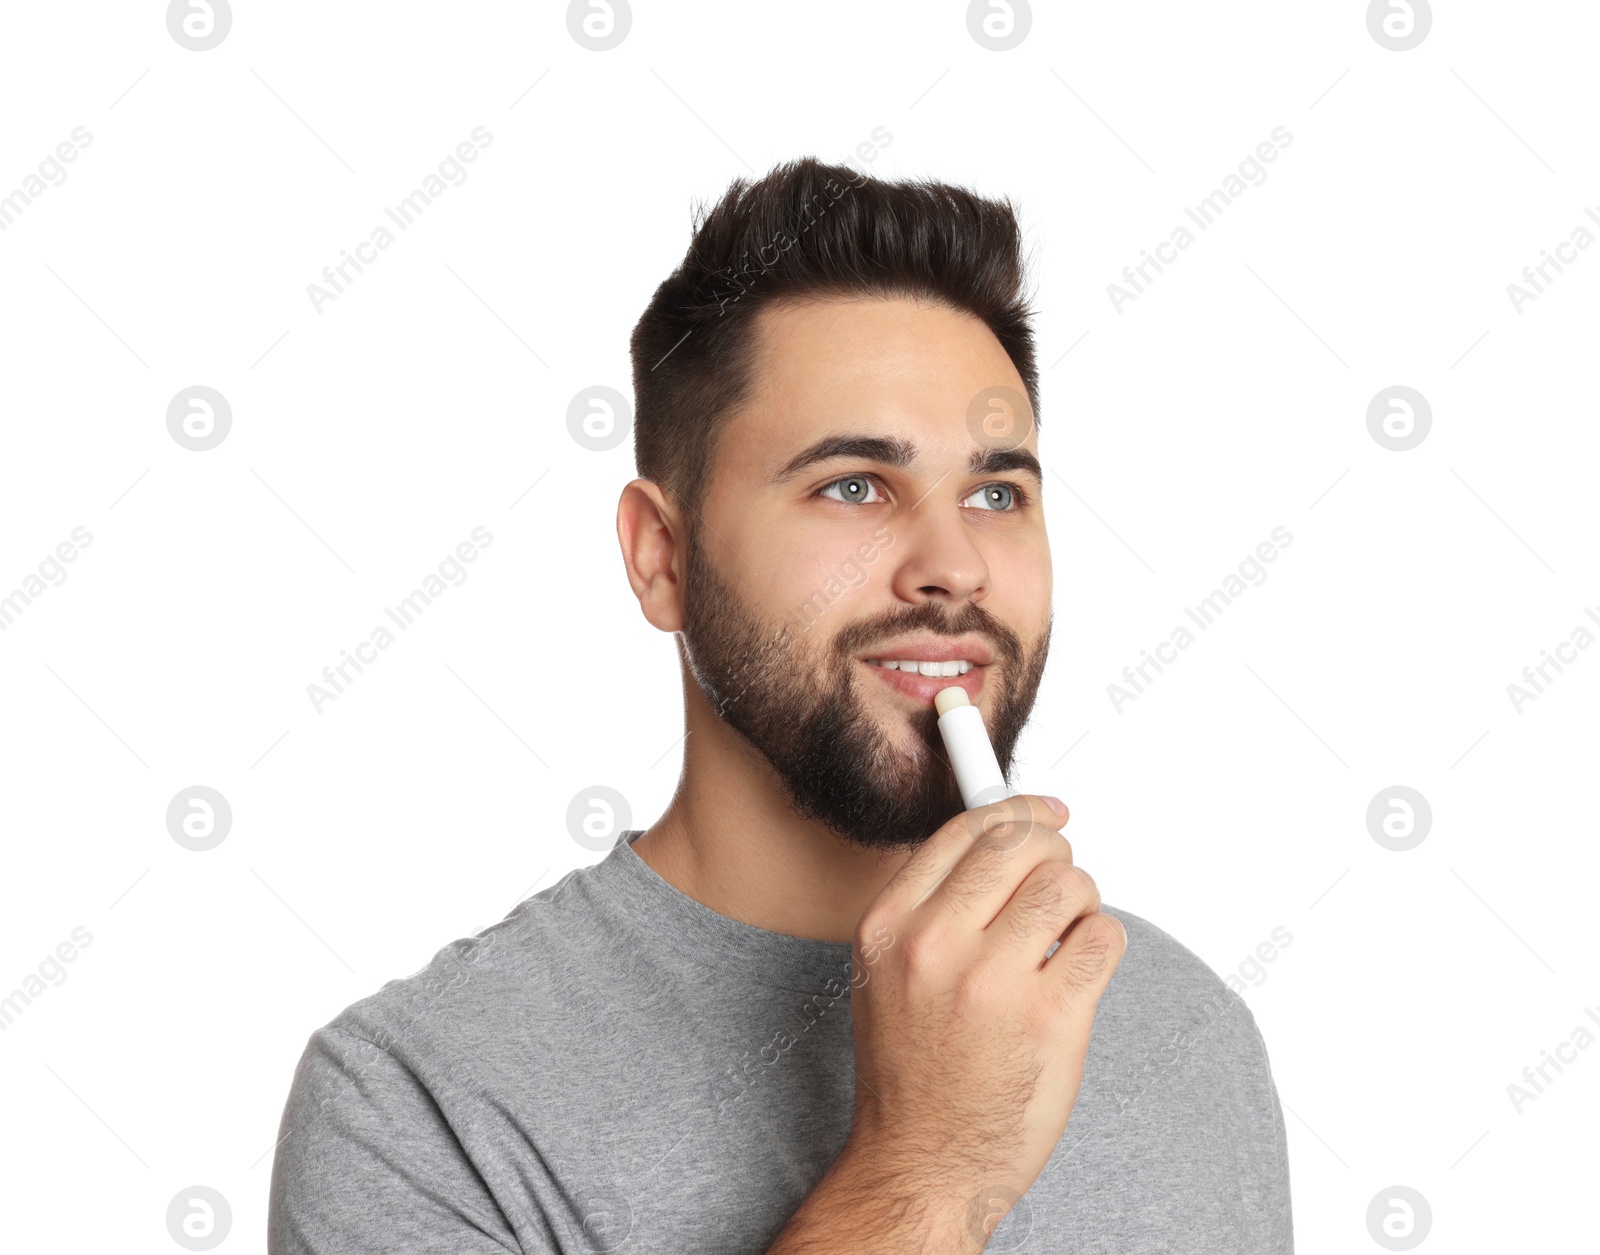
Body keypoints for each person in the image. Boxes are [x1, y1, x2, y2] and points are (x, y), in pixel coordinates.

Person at [268, 157, 1293, 1253]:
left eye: (996, 492)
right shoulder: (419, 1104)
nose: (952, 566)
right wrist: (930, 1169)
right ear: (661, 556)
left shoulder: (1186, 1031)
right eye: (852, 485)